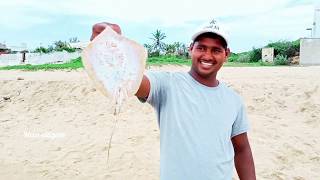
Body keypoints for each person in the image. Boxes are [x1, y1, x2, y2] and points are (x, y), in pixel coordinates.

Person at [90, 20, 256, 180]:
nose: (207, 55)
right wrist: (108, 50)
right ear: (191, 48)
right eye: (201, 48)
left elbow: (242, 149)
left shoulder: (233, 100)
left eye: (216, 50)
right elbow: (132, 80)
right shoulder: (168, 85)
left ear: (226, 54)